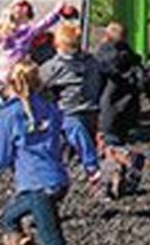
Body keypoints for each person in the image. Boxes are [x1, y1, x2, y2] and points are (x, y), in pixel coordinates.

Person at [0, 61, 103, 245]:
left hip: (36, 187)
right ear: (38, 83)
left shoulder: (7, 115)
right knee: (10, 217)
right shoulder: (50, 108)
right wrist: (91, 165)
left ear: (9, 85)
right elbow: (77, 128)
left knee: (54, 244)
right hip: (58, 182)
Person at [95, 22, 150, 198]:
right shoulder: (131, 59)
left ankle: (129, 159)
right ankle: (113, 184)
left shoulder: (102, 59)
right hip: (129, 110)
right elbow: (146, 82)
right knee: (114, 143)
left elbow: (95, 85)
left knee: (110, 147)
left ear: (106, 37)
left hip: (108, 110)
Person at [38, 23, 102, 186]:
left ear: (57, 44)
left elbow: (37, 84)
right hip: (91, 109)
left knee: (73, 134)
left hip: (69, 111)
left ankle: (91, 167)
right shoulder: (91, 61)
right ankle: (87, 168)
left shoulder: (55, 66)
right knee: (82, 139)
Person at [0, 0, 64, 99]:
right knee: (22, 91)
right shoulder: (25, 34)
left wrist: (12, 5)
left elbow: (6, 16)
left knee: (2, 95)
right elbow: (43, 24)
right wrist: (56, 12)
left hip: (2, 75)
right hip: (15, 74)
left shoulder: (3, 32)